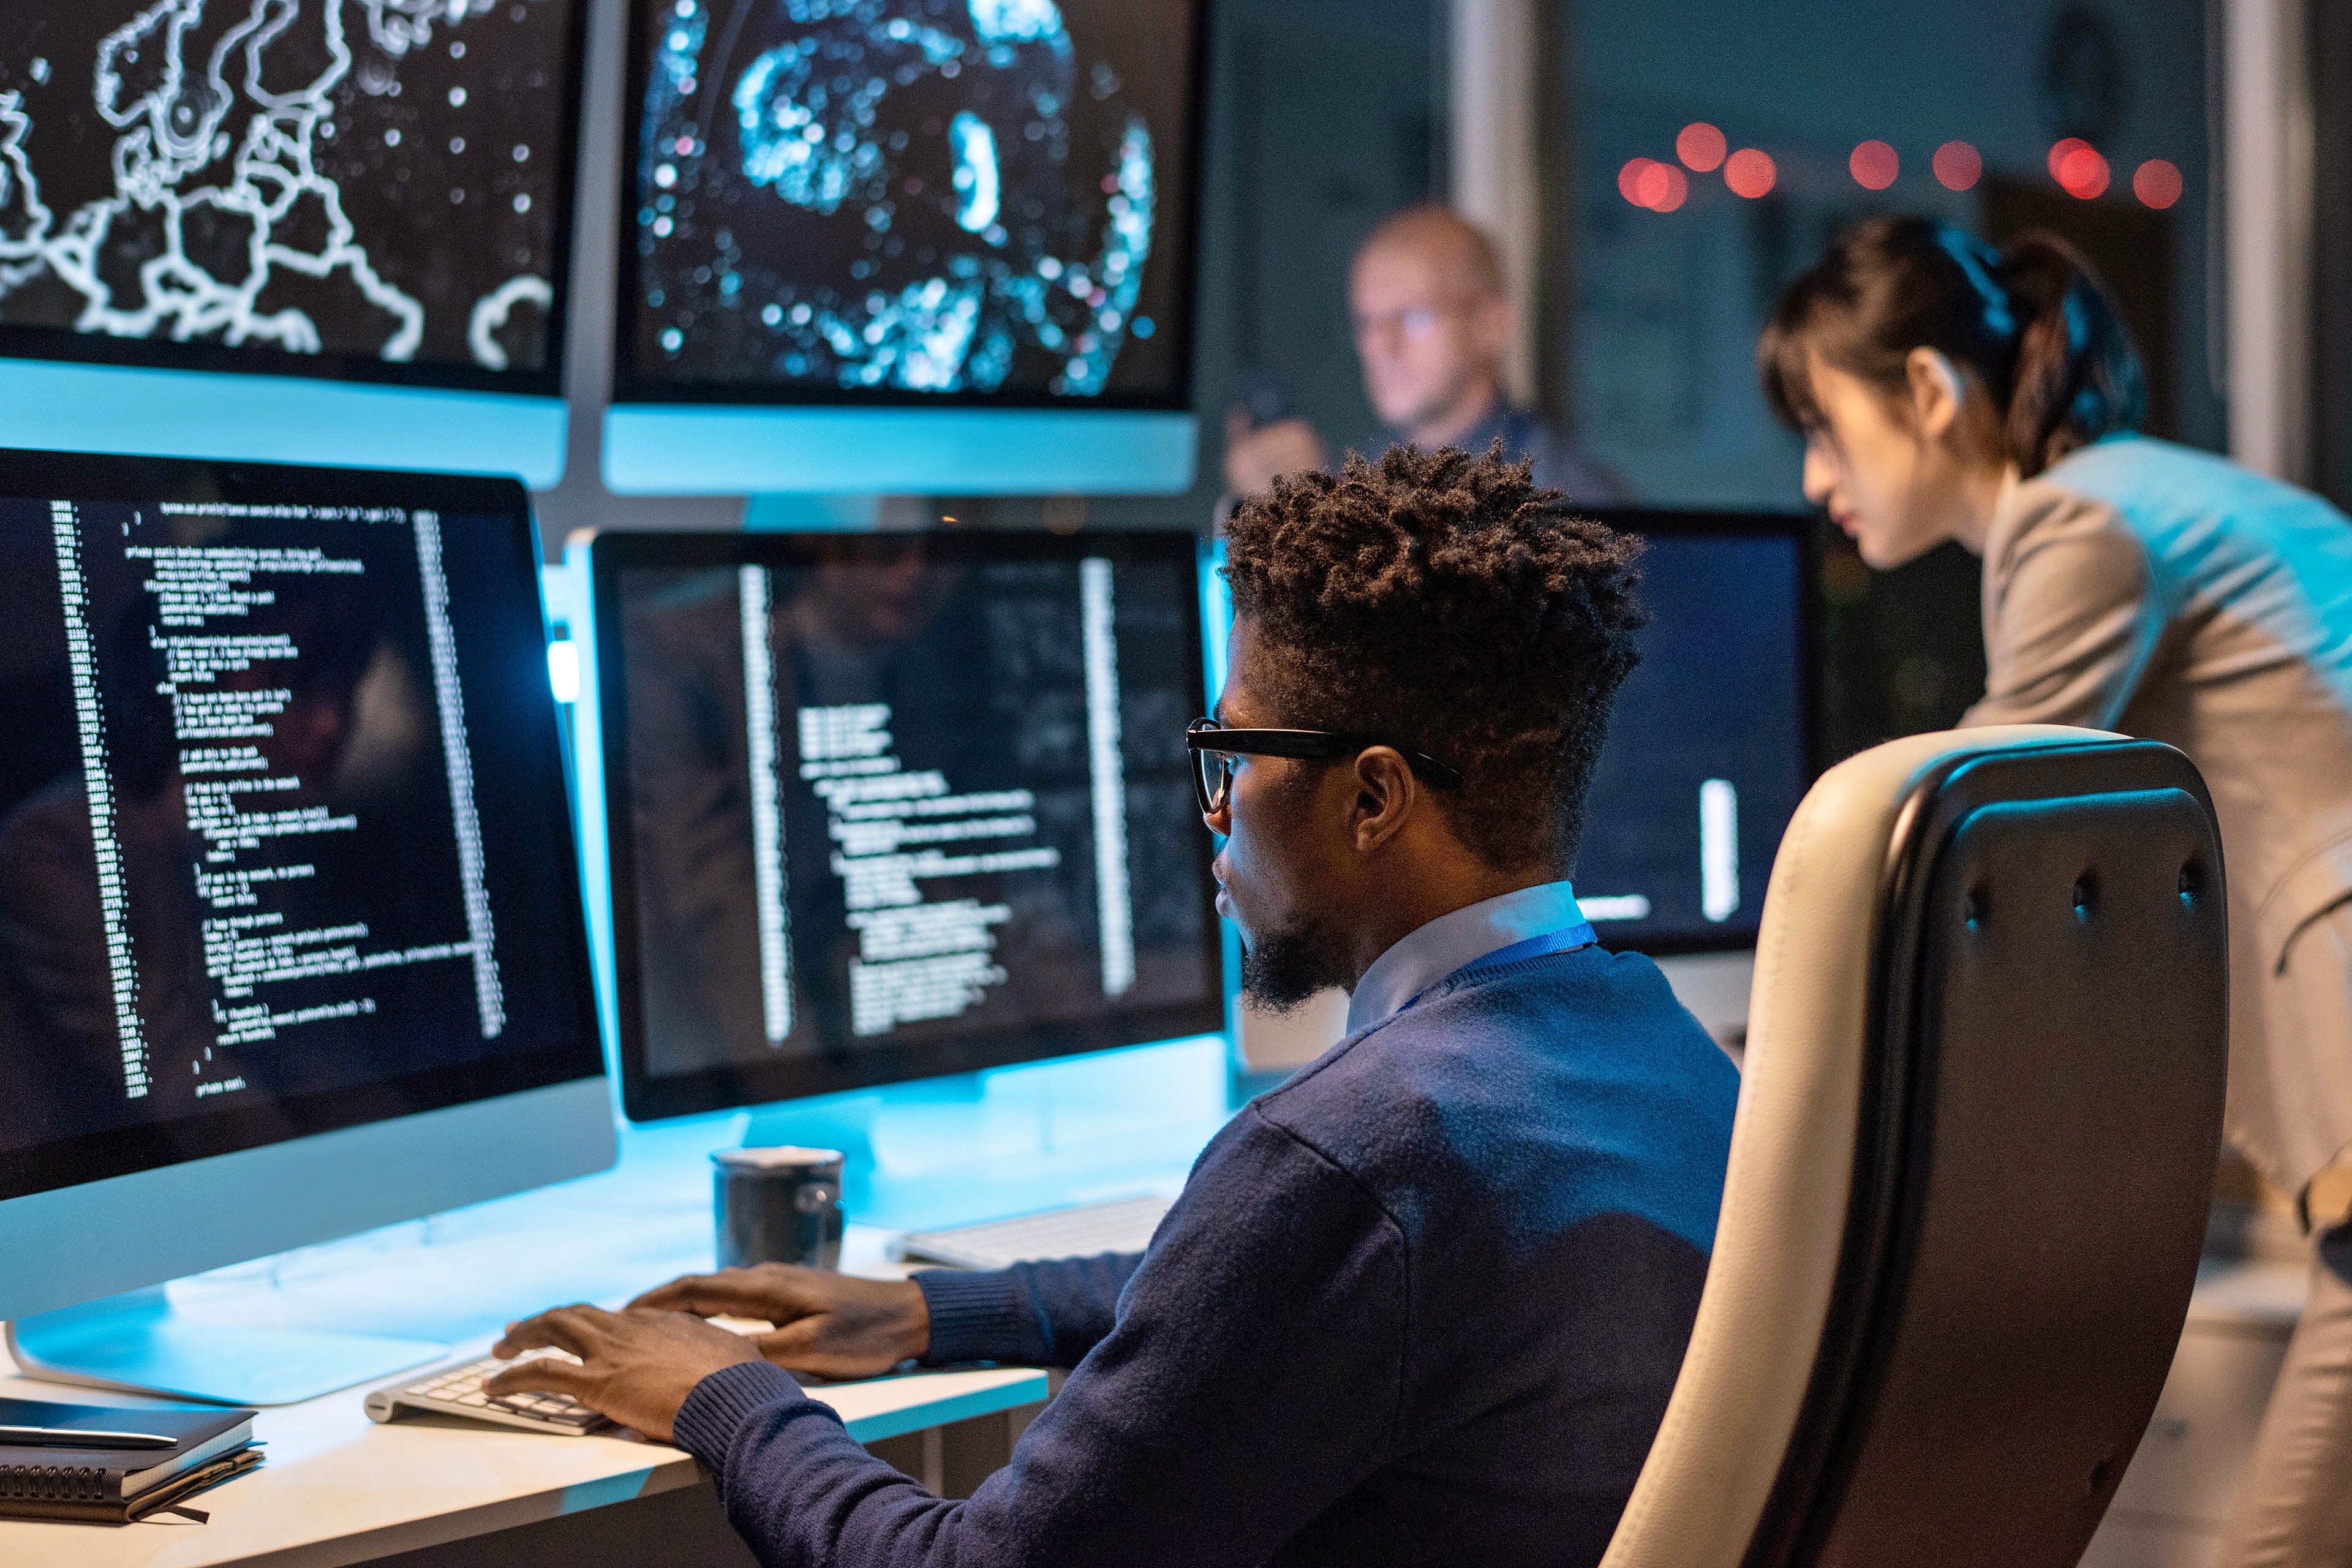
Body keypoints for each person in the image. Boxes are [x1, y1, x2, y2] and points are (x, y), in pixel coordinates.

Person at [486, 445, 1738, 1567]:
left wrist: (728, 1394)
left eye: (1235, 755)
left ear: (1372, 799)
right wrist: (934, 1310)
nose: (1214, 806)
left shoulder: (1348, 1158)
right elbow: (1274, 1288)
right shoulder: (1665, 1055)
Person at [1761, 213, 2352, 1568]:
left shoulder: (2073, 524)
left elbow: (1961, 828)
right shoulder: (2160, 487)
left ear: (1925, 390)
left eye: (1826, 427)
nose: (1814, 478)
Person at [1224, 206, 1624, 504]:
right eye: (1368, 323)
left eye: (1415, 317)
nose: (1382, 346)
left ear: (1491, 324)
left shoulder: (1566, 504)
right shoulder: (1362, 478)